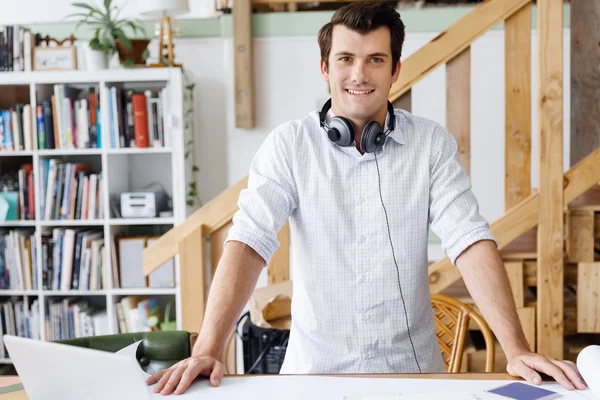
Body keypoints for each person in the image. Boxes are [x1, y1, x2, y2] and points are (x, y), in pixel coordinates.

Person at [147, 1, 587, 396]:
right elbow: (248, 242)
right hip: (312, 377)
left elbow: (469, 241)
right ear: (325, 67)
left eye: (376, 60)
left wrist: (516, 349)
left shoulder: (430, 144)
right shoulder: (289, 146)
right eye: (346, 59)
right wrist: (207, 347)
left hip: (412, 379)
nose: (359, 75)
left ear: (396, 69)